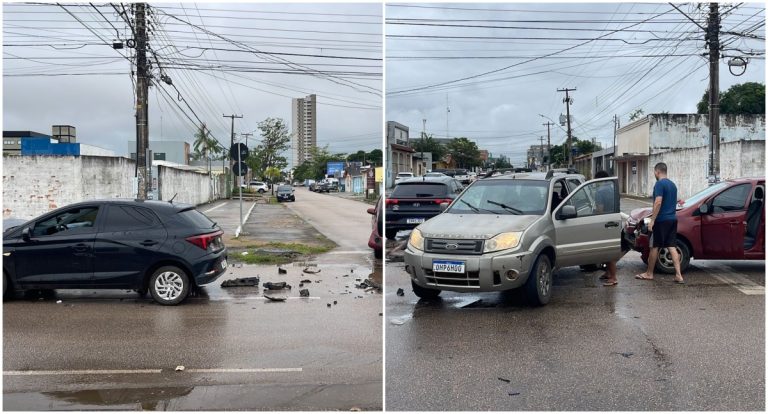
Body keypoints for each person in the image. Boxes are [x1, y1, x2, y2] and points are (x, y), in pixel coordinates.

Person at [635, 162, 685, 284]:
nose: (654, 174)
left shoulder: (659, 184)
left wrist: (652, 220)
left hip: (661, 220)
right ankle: (679, 275)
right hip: (672, 219)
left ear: (657, 172)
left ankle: (649, 273)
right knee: (672, 246)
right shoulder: (673, 185)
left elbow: (658, 202)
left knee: (654, 246)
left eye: (654, 172)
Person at [594, 170, 620, 286]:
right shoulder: (612, 188)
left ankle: (613, 277)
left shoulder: (599, 191)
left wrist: (594, 213)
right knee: (609, 249)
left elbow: (600, 209)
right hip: (613, 220)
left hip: (604, 222)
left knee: (608, 252)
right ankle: (608, 273)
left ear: (599, 180)